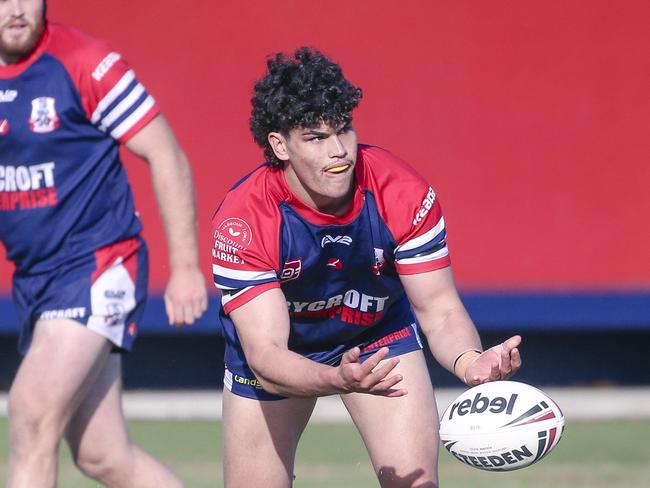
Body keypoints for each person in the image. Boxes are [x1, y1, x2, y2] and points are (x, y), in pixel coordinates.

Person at [211, 46, 522, 488]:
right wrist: (336, 378)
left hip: (376, 334)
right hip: (283, 353)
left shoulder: (401, 191)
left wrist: (470, 362)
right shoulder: (245, 219)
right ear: (279, 145)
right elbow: (265, 357)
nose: (339, 151)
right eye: (316, 138)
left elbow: (440, 310)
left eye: (344, 131)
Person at [0, 1, 207, 486]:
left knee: (31, 415)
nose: (16, 8)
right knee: (102, 455)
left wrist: (185, 267)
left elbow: (166, 154)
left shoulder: (83, 62)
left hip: (96, 266)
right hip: (37, 281)